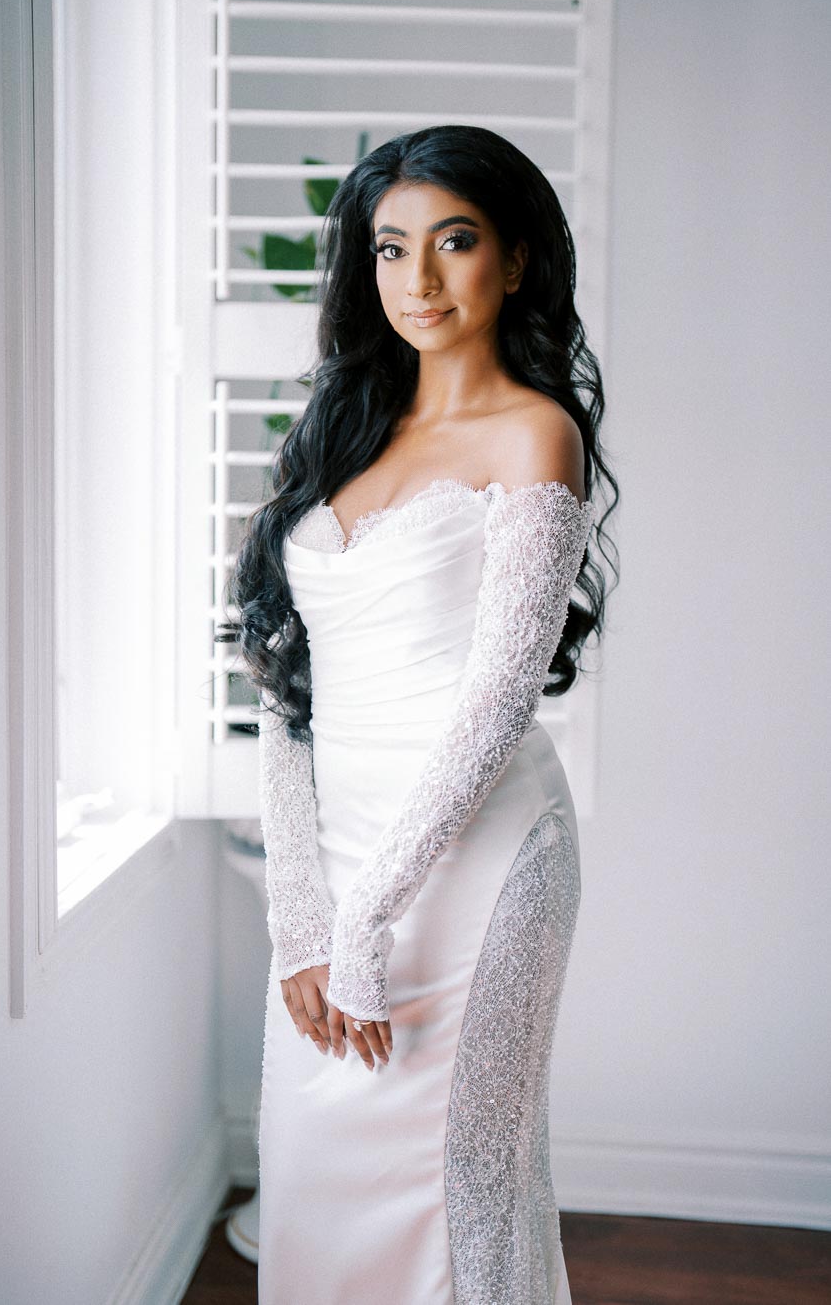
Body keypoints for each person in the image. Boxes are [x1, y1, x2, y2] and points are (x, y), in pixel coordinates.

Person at [226, 123, 619, 1304]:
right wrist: (307, 921)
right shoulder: (336, 435)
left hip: (482, 859)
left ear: (515, 259)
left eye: (456, 242)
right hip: (339, 872)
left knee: (461, 1177)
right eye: (392, 249)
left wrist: (373, 917)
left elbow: (497, 703)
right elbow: (282, 694)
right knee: (309, 1167)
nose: (422, 279)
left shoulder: (533, 433)